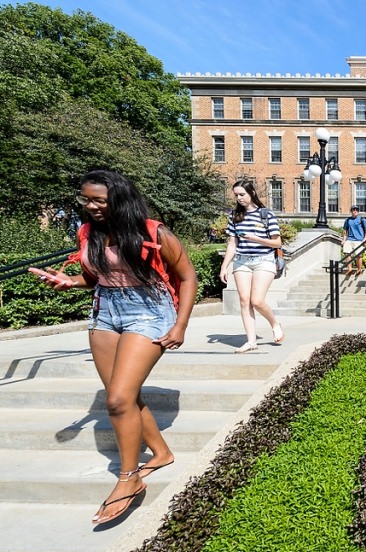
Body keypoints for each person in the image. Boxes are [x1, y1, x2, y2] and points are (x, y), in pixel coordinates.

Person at [32, 169, 197, 525]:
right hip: (105, 311)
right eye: (86, 199)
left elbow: (187, 276)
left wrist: (180, 324)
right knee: (123, 394)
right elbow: (95, 276)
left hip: (149, 311)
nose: (90, 206)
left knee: (118, 399)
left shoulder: (154, 233)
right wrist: (69, 280)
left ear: (118, 200)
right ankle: (162, 453)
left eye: (99, 200)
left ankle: (129, 478)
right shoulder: (89, 232)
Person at [219, 180, 284, 353]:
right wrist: (224, 267)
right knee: (244, 300)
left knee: (257, 300)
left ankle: (274, 323)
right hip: (242, 261)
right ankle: (251, 341)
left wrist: (256, 238)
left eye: (242, 194)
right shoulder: (234, 216)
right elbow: (232, 244)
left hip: (264, 260)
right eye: (236, 195)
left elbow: (277, 242)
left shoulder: (266, 215)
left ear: (252, 193)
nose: (239, 198)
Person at [342, 205, 366, 275]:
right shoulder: (348, 220)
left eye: (356, 210)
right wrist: (344, 240)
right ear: (351, 211)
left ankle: (359, 269)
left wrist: (365, 239)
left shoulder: (362, 219)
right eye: (353, 210)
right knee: (346, 253)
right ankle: (349, 269)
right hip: (349, 239)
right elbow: (345, 230)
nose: (355, 211)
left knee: (359, 255)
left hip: (359, 240)